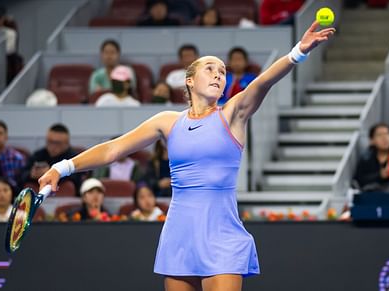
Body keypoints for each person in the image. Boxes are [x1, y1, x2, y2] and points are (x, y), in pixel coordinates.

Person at [38, 21, 334, 291]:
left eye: (223, 72)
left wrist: (297, 53)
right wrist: (62, 168)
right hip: (180, 235)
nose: (219, 74)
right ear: (189, 81)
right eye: (210, 69)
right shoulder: (168, 121)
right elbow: (114, 149)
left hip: (222, 234)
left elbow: (262, 83)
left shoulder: (232, 114)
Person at [21, 124, 82, 195]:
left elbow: (77, 179)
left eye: (57, 143)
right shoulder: (38, 155)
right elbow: (22, 176)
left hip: (64, 195)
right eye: (50, 142)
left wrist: (52, 173)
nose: (53, 146)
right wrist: (31, 174)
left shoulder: (74, 157)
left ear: (67, 143)